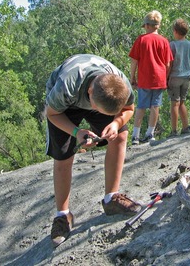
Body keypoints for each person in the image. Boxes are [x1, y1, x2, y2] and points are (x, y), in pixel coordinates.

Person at [45, 54, 141, 247]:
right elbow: (51, 113)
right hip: (63, 106)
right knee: (63, 154)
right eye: (97, 109)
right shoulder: (67, 85)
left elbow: (129, 109)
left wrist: (115, 123)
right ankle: (63, 215)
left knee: (120, 134)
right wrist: (76, 132)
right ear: (89, 93)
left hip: (98, 94)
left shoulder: (122, 86)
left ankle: (111, 198)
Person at [129, 10, 173, 145]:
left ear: (147, 25)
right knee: (155, 106)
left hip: (144, 78)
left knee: (141, 106)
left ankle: (135, 136)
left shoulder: (141, 40)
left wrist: (132, 78)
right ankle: (150, 133)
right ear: (158, 26)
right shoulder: (164, 41)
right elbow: (168, 63)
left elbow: (134, 61)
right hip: (159, 79)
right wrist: (165, 77)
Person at [167, 18, 190, 136]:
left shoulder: (172, 45)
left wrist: (167, 77)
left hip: (175, 76)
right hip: (187, 77)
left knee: (174, 103)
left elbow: (169, 63)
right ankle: (185, 127)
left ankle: (174, 130)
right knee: (182, 102)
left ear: (176, 31)